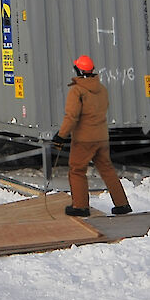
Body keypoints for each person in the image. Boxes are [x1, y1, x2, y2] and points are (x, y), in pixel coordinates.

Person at [51, 54, 131, 217]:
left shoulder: (77, 91)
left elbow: (72, 116)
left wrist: (61, 136)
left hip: (84, 140)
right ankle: (122, 204)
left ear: (78, 70)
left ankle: (80, 207)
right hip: (101, 138)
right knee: (107, 169)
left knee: (77, 170)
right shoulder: (101, 89)